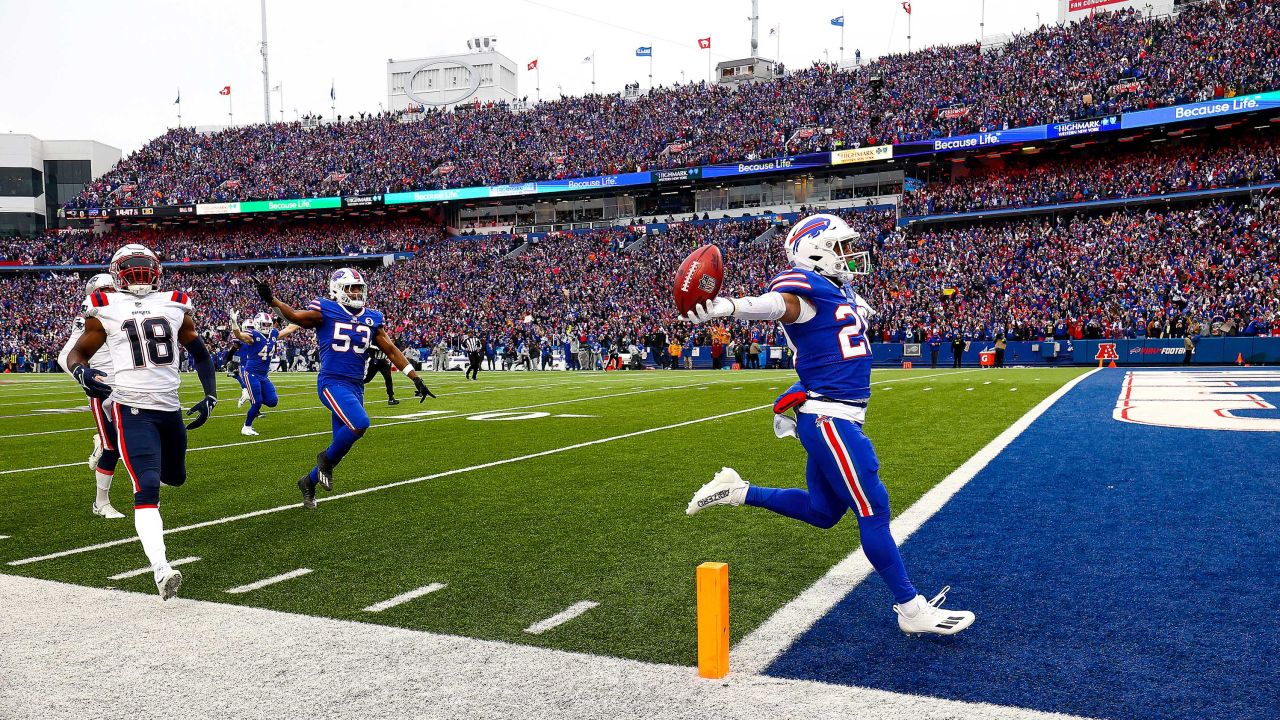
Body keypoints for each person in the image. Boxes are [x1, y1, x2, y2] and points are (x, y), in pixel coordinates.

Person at [682, 214, 974, 636]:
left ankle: (736, 490)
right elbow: (778, 305)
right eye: (840, 246)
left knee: (823, 513)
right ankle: (912, 609)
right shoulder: (804, 286)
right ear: (814, 250)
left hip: (829, 415)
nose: (849, 254)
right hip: (831, 417)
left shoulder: (840, 290)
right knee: (873, 512)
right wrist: (730, 307)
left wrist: (857, 309)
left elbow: (843, 318)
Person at [66, 244, 220, 600]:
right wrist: (81, 372)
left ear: (156, 270)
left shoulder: (175, 302)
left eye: (143, 267)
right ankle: (162, 570)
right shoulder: (105, 306)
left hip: (169, 408)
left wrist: (211, 394)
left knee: (175, 477)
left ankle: (148, 474)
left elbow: (199, 352)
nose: (138, 274)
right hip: (131, 407)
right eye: (131, 267)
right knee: (147, 487)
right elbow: (78, 352)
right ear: (118, 272)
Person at [253, 268, 434, 509]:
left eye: (359, 287)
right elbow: (295, 317)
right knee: (360, 423)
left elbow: (390, 350)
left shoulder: (371, 317)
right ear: (338, 289)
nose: (357, 292)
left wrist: (415, 378)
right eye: (352, 288)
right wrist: (271, 299)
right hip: (332, 382)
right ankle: (324, 461)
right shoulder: (326, 309)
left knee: (343, 442)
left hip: (356, 385)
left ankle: (307, 481)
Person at [57, 273, 124, 520]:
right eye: (103, 290)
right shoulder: (87, 318)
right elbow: (65, 356)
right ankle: (101, 502)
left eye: (111, 289)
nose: (108, 295)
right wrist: (83, 376)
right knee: (112, 449)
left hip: (133, 388)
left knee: (143, 440)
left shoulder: (129, 313)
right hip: (104, 390)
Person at [228, 311, 301, 435]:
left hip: (263, 375)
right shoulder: (253, 336)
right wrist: (234, 323)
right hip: (251, 373)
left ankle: (252, 394)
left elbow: (289, 329)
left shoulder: (273, 334)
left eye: (269, 324)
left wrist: (303, 318)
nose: (267, 327)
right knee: (257, 402)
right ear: (257, 324)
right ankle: (246, 427)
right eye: (264, 324)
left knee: (273, 401)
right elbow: (239, 335)